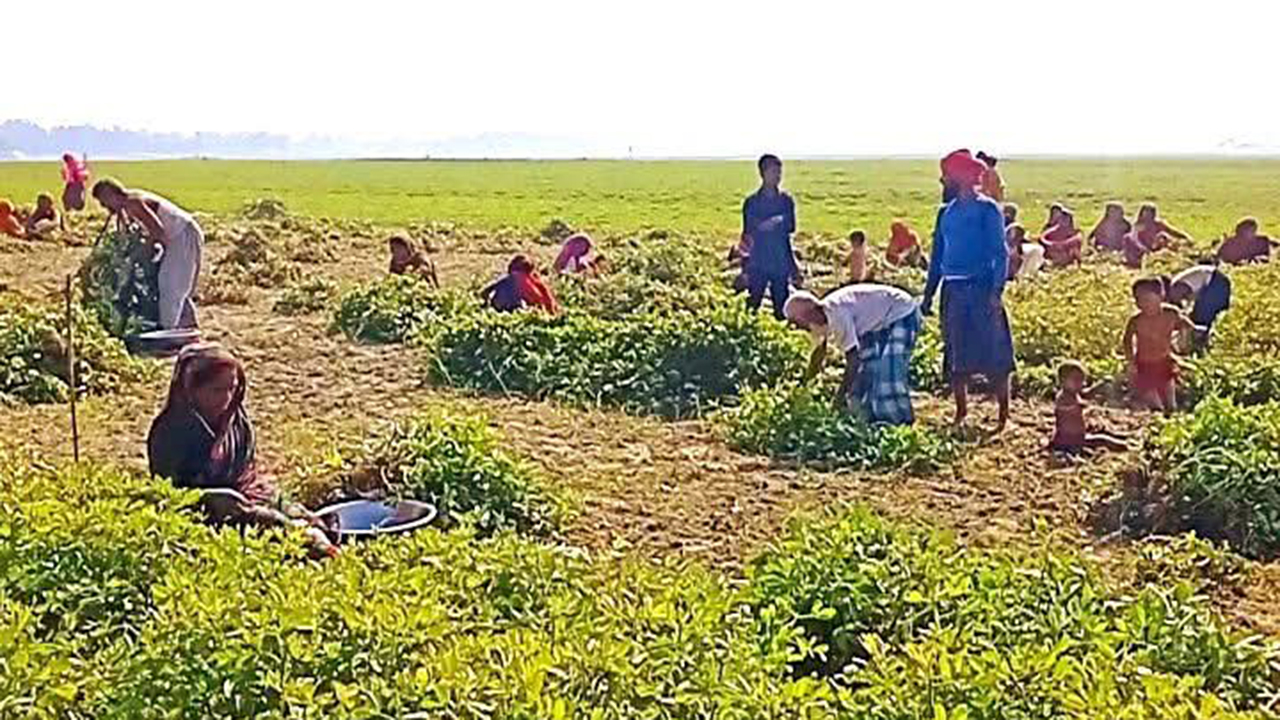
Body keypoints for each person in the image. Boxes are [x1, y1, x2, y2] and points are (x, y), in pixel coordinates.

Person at [147, 344, 336, 557]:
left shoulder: (235, 422)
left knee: (302, 514)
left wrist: (290, 509)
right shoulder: (170, 432)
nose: (226, 398)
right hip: (202, 514)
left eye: (231, 388)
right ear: (192, 390)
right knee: (279, 526)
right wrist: (212, 498)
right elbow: (170, 492)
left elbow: (247, 476)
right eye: (216, 390)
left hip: (245, 495)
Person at [922, 149, 1014, 432]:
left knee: (995, 353)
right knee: (956, 355)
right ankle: (961, 412)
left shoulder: (988, 210)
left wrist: (996, 291)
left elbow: (1000, 253)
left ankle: (1003, 415)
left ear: (960, 177)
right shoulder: (945, 213)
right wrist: (928, 295)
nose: (942, 180)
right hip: (953, 289)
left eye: (946, 175)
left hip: (980, 288)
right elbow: (937, 256)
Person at [783, 285, 921, 425]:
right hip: (877, 323)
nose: (797, 327)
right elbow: (818, 354)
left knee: (887, 374)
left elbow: (853, 360)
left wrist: (839, 397)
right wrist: (805, 386)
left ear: (808, 314)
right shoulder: (820, 320)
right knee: (866, 375)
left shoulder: (836, 314)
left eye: (797, 322)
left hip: (901, 313)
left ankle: (900, 422)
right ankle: (870, 420)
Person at [92, 178, 203, 329]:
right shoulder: (126, 207)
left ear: (110, 194)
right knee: (171, 283)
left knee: (171, 284)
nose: (103, 207)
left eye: (103, 202)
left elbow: (158, 231)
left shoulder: (133, 203)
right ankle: (187, 326)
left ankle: (168, 331)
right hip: (174, 238)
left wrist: (143, 252)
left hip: (182, 234)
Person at [1122, 277, 1202, 414]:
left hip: (1164, 361)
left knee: (1171, 402)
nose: (1143, 305)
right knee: (1155, 404)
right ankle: (1159, 413)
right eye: (1138, 300)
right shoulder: (1136, 321)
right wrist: (1130, 361)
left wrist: (1192, 332)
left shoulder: (1170, 313)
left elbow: (1185, 323)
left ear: (1161, 297)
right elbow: (1127, 340)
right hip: (1144, 364)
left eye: (1148, 300)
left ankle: (1172, 413)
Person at [741, 154, 799, 319]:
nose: (778, 176)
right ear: (763, 173)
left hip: (780, 261)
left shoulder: (786, 201)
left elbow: (791, 227)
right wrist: (744, 267)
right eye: (774, 172)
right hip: (758, 261)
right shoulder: (752, 203)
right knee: (752, 305)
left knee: (782, 309)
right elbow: (748, 232)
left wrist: (776, 222)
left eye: (779, 172)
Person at [1049, 361, 1129, 454]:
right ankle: (1125, 446)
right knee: (1102, 440)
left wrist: (1098, 386)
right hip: (1068, 440)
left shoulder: (1074, 393)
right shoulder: (1063, 397)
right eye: (1076, 380)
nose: (1079, 384)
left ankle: (1124, 440)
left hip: (1077, 436)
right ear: (1063, 381)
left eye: (1081, 380)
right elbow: (1071, 405)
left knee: (1102, 435)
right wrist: (1087, 404)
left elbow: (1086, 394)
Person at [1166, 264, 1231, 351]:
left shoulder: (1175, 288)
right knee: (1209, 317)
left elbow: (1181, 302)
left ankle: (1200, 346)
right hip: (1215, 281)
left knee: (1202, 318)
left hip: (1214, 281)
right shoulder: (1177, 285)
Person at [481, 255, 558, 314]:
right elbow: (547, 302)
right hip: (522, 308)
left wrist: (485, 304)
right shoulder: (535, 282)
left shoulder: (510, 277)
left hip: (502, 306)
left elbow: (485, 291)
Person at [1123, 203, 1189, 268]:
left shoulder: (1158, 224)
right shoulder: (1138, 225)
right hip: (1141, 250)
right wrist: (1145, 250)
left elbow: (1173, 232)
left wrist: (1186, 237)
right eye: (1146, 212)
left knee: (1163, 236)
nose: (1148, 215)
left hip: (1158, 248)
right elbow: (1135, 240)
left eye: (1150, 213)